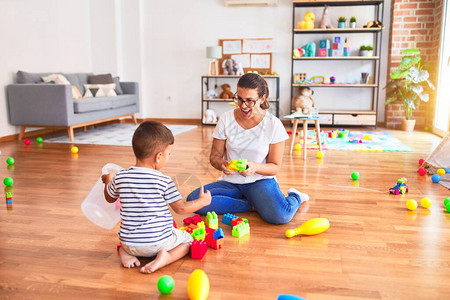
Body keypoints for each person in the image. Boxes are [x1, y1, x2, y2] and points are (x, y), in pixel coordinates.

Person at [187, 73, 309, 224]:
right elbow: (214, 157)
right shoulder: (226, 119)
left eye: (250, 101)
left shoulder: (273, 124)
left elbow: (275, 167)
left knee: (281, 216)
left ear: (262, 99)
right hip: (232, 182)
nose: (243, 105)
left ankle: (295, 196)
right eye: (239, 98)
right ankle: (253, 204)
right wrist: (222, 164)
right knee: (193, 200)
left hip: (260, 181)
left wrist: (255, 167)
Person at [102, 121, 211, 274]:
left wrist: (108, 181)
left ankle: (126, 253)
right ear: (159, 157)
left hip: (128, 242)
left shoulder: (120, 177)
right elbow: (181, 208)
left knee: (128, 243)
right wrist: (203, 201)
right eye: (169, 154)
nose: (169, 158)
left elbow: (109, 197)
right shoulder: (164, 181)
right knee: (188, 240)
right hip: (157, 243)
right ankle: (166, 258)